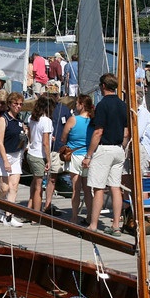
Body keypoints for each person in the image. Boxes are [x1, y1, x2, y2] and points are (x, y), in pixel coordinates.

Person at [82, 73, 128, 236]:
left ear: (103, 86)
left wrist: (88, 155)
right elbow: (125, 131)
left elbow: (98, 131)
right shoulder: (123, 105)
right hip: (118, 149)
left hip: (105, 149)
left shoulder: (102, 105)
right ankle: (116, 225)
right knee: (115, 187)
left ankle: (93, 224)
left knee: (98, 187)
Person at [0, 92, 26, 227]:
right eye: (16, 104)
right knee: (4, 188)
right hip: (3, 155)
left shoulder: (19, 120)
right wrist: (5, 160)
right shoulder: (4, 119)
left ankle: (9, 216)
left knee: (14, 187)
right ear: (10, 104)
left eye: (20, 104)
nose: (18, 107)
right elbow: (0, 142)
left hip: (16, 154)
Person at [60, 94, 94, 223]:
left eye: (77, 104)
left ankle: (74, 216)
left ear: (82, 105)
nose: (76, 106)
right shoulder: (93, 120)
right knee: (87, 189)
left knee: (76, 188)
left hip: (75, 156)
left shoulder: (73, 119)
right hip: (89, 156)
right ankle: (89, 216)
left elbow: (63, 137)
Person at [43, 83, 71, 216]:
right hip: (52, 149)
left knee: (73, 177)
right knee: (52, 178)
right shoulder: (44, 109)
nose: (53, 97)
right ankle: (47, 205)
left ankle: (74, 208)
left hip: (64, 148)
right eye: (50, 95)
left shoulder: (65, 109)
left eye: (54, 95)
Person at [26, 95, 53, 214]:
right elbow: (45, 143)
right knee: (39, 187)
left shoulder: (31, 118)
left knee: (34, 182)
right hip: (39, 155)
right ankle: (36, 215)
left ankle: (29, 208)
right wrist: (49, 160)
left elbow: (31, 135)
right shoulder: (46, 121)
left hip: (31, 152)